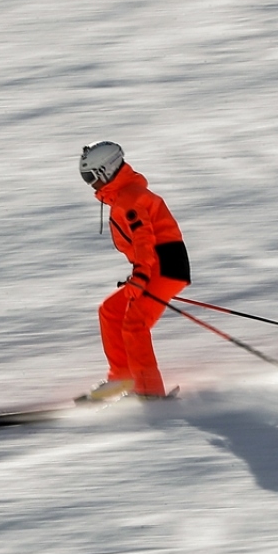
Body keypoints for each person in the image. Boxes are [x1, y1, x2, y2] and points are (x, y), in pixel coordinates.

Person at [79, 141, 190, 400]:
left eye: (91, 177)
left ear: (106, 171)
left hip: (165, 266)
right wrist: (141, 273)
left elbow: (144, 238)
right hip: (155, 266)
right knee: (111, 311)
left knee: (134, 325)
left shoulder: (129, 199)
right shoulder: (124, 197)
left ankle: (149, 392)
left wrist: (141, 275)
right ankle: (123, 377)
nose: (90, 184)